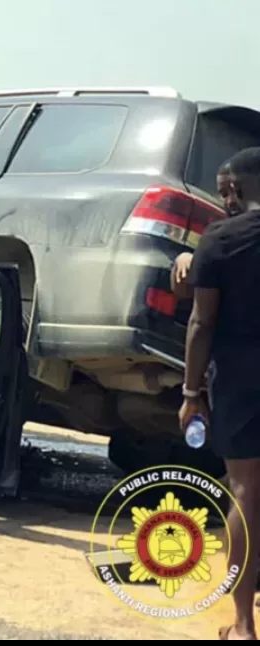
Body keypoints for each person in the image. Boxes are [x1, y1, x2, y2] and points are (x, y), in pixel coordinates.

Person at [180, 146, 260, 640]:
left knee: (247, 493)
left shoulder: (221, 240)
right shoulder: (213, 241)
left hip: (241, 376)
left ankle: (244, 626)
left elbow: (201, 321)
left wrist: (191, 392)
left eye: (228, 188)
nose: (223, 197)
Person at [171, 161, 245, 299]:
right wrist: (183, 261)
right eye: (224, 194)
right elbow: (187, 293)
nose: (230, 201)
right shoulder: (218, 237)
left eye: (236, 192)